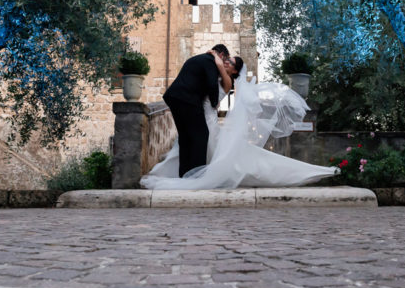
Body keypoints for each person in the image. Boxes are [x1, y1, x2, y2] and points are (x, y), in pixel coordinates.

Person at [142, 59, 339, 190]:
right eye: (226, 60)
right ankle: (176, 173)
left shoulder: (226, 80)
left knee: (237, 162)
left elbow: (218, 70)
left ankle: (308, 173)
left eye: (230, 62)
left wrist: (215, 57)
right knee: (186, 147)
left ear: (235, 70)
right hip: (203, 122)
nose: (225, 62)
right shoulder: (217, 78)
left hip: (208, 124)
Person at [161, 44, 233, 177]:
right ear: (221, 55)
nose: (224, 63)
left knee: (185, 137)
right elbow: (212, 83)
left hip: (174, 98)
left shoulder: (199, 59)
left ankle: (184, 174)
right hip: (187, 100)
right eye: (225, 60)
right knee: (201, 135)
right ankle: (196, 175)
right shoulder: (210, 61)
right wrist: (214, 103)